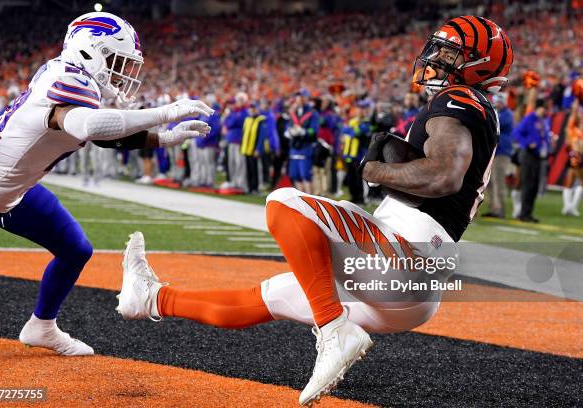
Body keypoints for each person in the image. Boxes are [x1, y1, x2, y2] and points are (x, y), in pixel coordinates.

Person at [117, 15, 511, 406]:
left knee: (285, 203)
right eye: (438, 47)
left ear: (480, 63)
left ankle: (333, 329)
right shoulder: (470, 108)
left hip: (407, 256)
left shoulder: (460, 98)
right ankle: (150, 298)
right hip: (408, 282)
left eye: (451, 52)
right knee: (263, 297)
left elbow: (444, 176)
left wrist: (375, 169)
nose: (436, 57)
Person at [0, 11, 213, 356]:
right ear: (91, 49)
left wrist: (162, 139)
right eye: (115, 58)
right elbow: (90, 127)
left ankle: (41, 326)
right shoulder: (72, 80)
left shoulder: (66, 74)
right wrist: (164, 113)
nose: (120, 70)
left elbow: (100, 135)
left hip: (13, 191)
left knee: (75, 250)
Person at [513, 99, 550, 223]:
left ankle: (528, 213)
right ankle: (523, 213)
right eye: (544, 108)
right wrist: (527, 144)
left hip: (538, 156)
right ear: (539, 108)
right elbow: (516, 133)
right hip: (528, 155)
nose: (545, 110)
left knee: (534, 186)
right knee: (528, 184)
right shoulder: (529, 118)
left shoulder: (543, 121)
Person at [483, 92, 514, 218]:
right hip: (493, 152)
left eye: (499, 101)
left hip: (501, 152)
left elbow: (495, 124)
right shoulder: (498, 113)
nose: (497, 103)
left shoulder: (507, 114)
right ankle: (493, 208)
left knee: (498, 181)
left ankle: (500, 210)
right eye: (496, 101)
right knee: (489, 182)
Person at [286, 89, 319, 194]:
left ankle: (309, 201)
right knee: (295, 175)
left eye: (301, 96)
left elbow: (314, 130)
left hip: (306, 147)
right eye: (298, 96)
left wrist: (303, 131)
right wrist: (289, 132)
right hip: (294, 147)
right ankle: (301, 201)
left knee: (306, 175)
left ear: (306, 98)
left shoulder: (312, 113)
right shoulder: (294, 112)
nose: (299, 99)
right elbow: (289, 125)